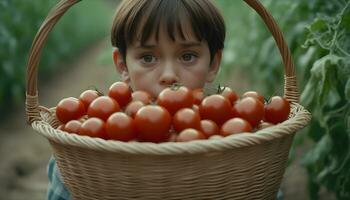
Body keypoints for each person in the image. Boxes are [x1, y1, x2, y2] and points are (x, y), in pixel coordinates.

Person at [47, 0, 224, 199]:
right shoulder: (81, 157)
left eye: (188, 56)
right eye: (148, 58)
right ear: (123, 66)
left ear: (213, 64)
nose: (169, 75)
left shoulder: (229, 150)